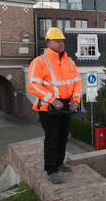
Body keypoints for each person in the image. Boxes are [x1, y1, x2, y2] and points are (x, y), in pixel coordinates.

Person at [27, 27, 82, 184]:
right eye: (57, 41)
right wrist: (52, 99)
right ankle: (51, 170)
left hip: (66, 106)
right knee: (52, 138)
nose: (61, 43)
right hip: (47, 107)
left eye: (62, 41)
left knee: (64, 136)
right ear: (48, 42)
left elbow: (77, 82)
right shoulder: (39, 62)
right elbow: (33, 86)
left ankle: (59, 163)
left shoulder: (69, 61)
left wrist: (76, 100)